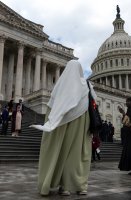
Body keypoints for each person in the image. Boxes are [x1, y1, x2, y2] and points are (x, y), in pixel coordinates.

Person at [30, 60, 97, 196]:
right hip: (82, 125)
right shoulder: (88, 86)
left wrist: (51, 123)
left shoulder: (60, 86)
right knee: (77, 155)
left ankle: (61, 186)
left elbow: (52, 108)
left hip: (62, 124)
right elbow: (94, 104)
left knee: (60, 153)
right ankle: (79, 185)